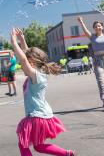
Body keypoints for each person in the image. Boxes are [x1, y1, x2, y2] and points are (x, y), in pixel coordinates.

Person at [11, 28, 75, 156]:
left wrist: (13, 42)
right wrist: (22, 40)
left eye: (24, 64)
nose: (21, 66)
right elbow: (27, 56)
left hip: (37, 116)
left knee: (23, 144)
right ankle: (67, 154)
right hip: (42, 115)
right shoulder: (37, 73)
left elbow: (24, 59)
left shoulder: (35, 75)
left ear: (32, 63)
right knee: (39, 146)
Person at [77, 16, 104, 112]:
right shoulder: (92, 37)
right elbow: (85, 30)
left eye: (99, 26)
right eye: (96, 26)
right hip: (97, 61)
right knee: (101, 82)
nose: (98, 27)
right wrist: (81, 22)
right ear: (94, 28)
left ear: (102, 27)